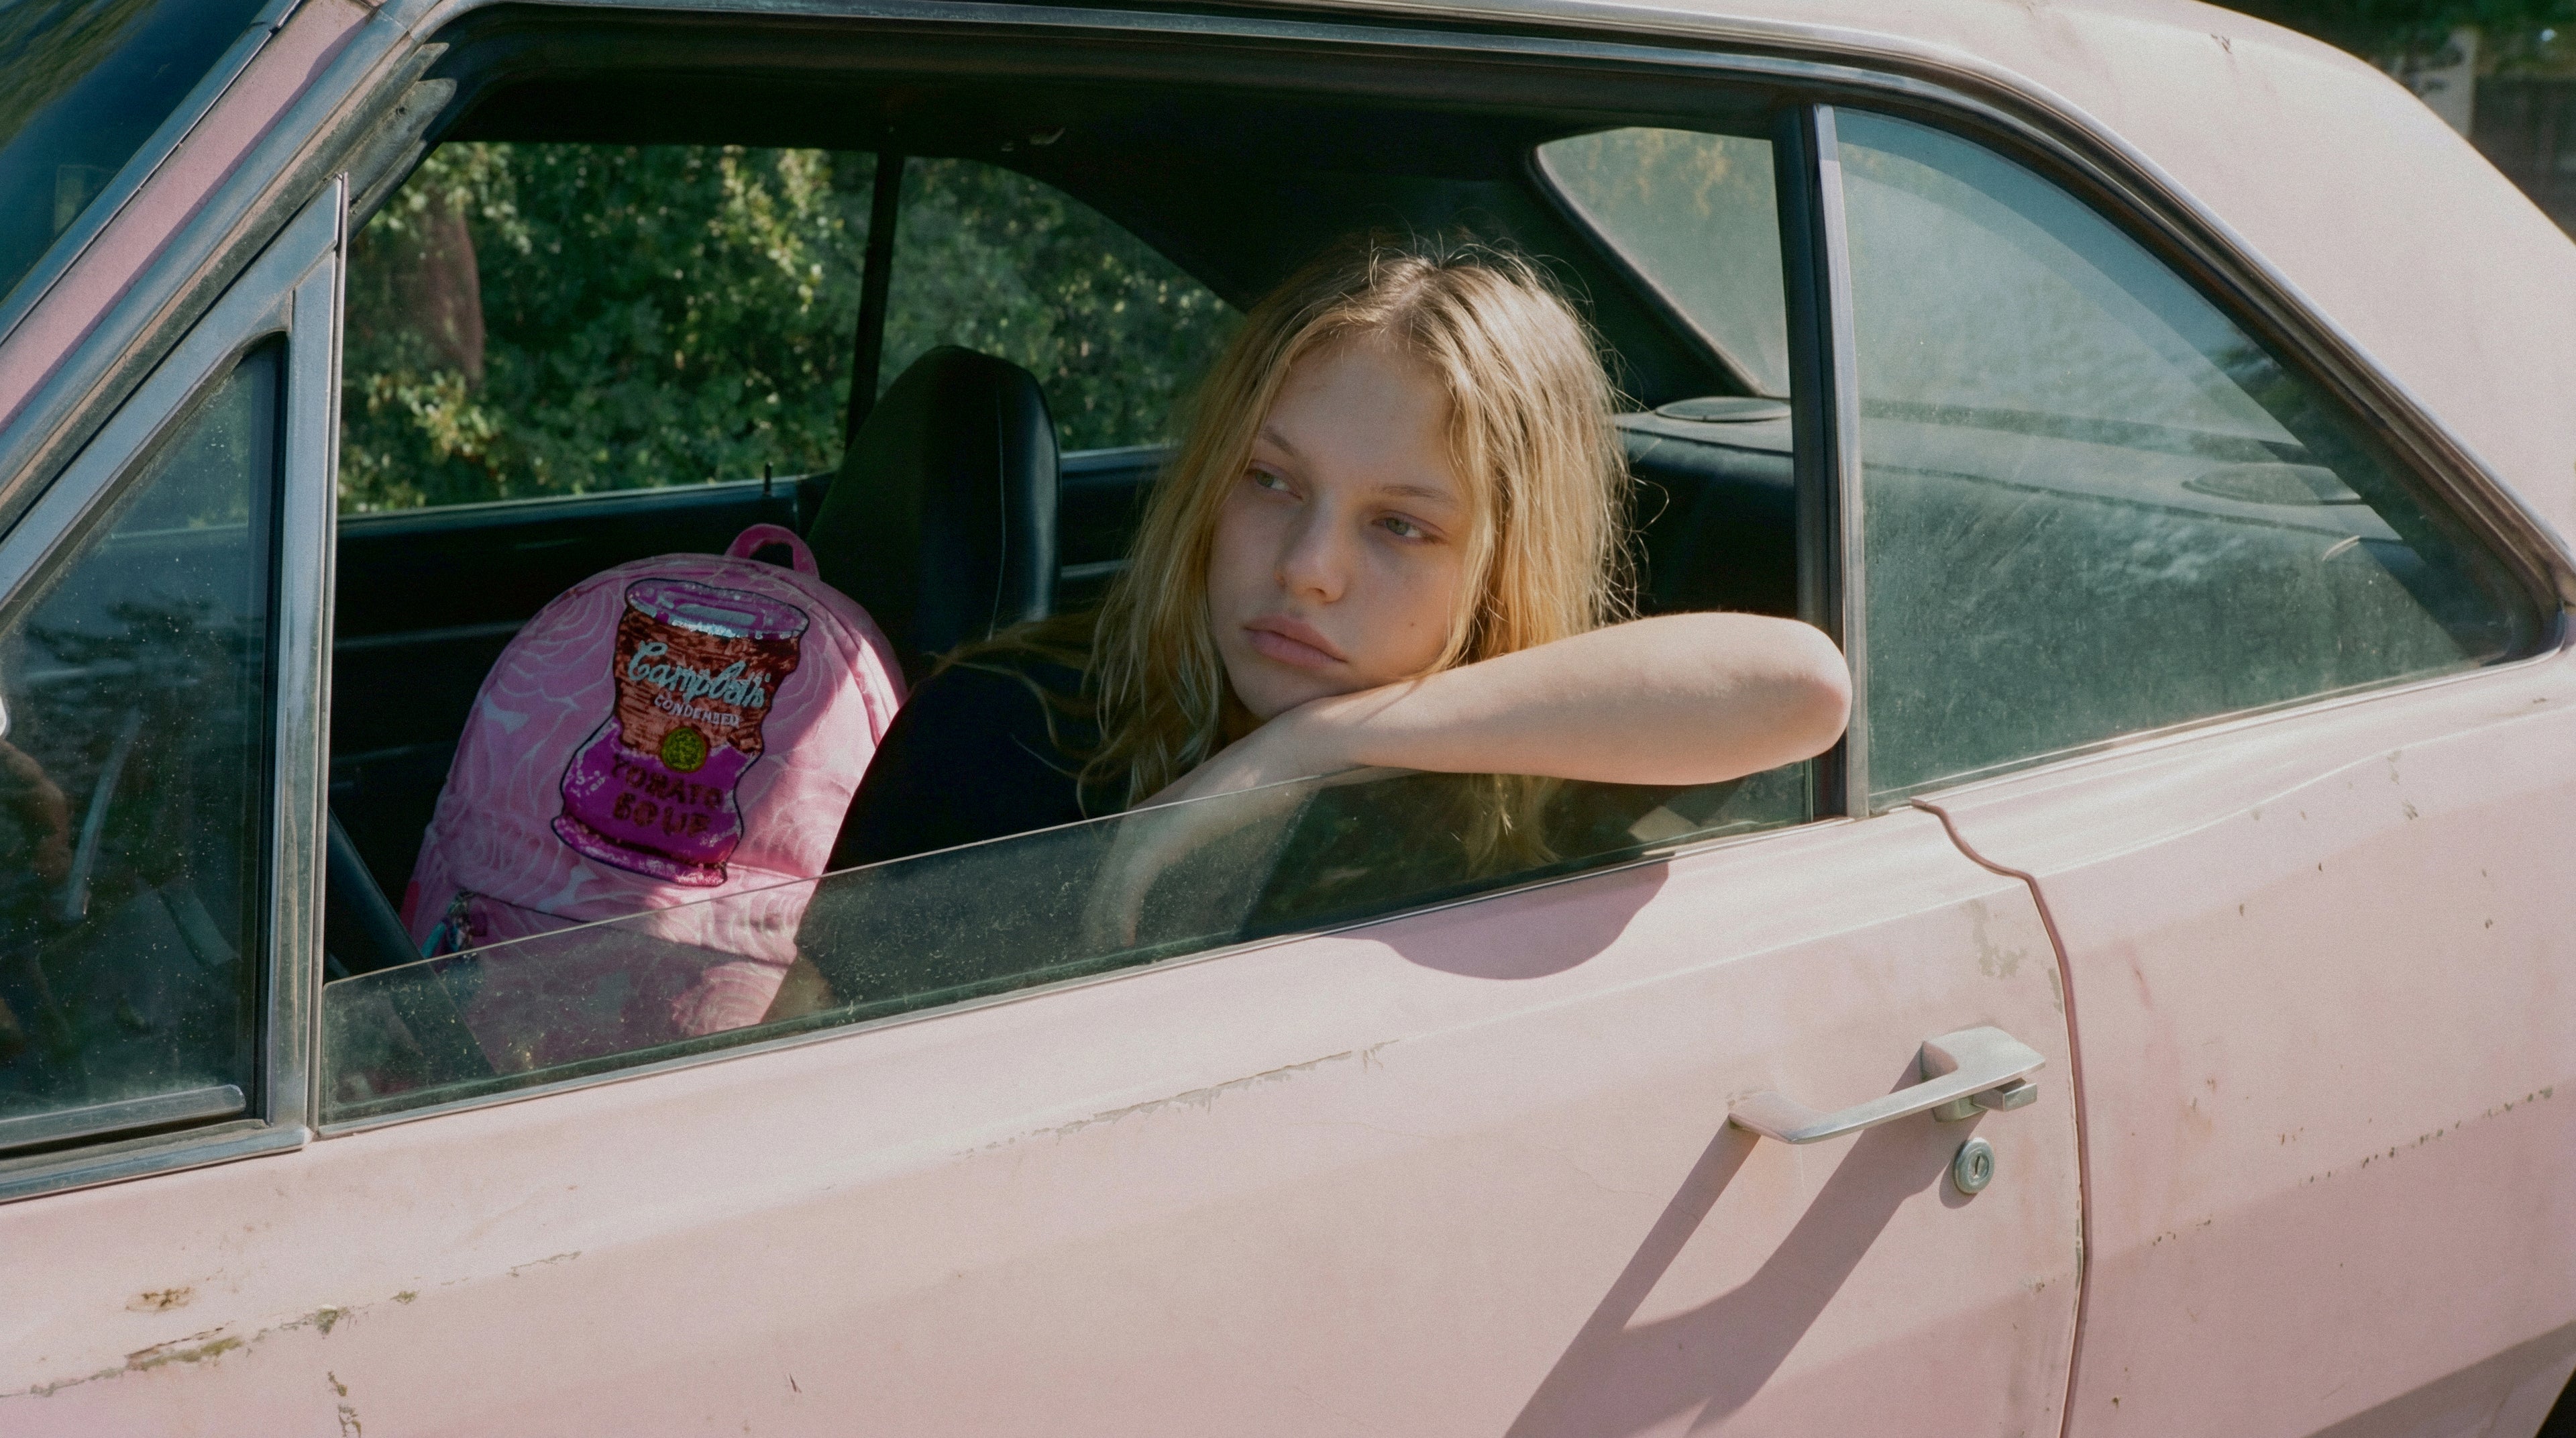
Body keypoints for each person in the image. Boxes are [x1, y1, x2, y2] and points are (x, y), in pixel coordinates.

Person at [769, 236, 1849, 1016]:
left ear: (1501, 568)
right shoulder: (999, 729)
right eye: (1271, 481)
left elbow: (1800, 688)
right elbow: (812, 1063)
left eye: (1401, 525)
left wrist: (1316, 743)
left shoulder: (1528, 763)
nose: (1306, 569)